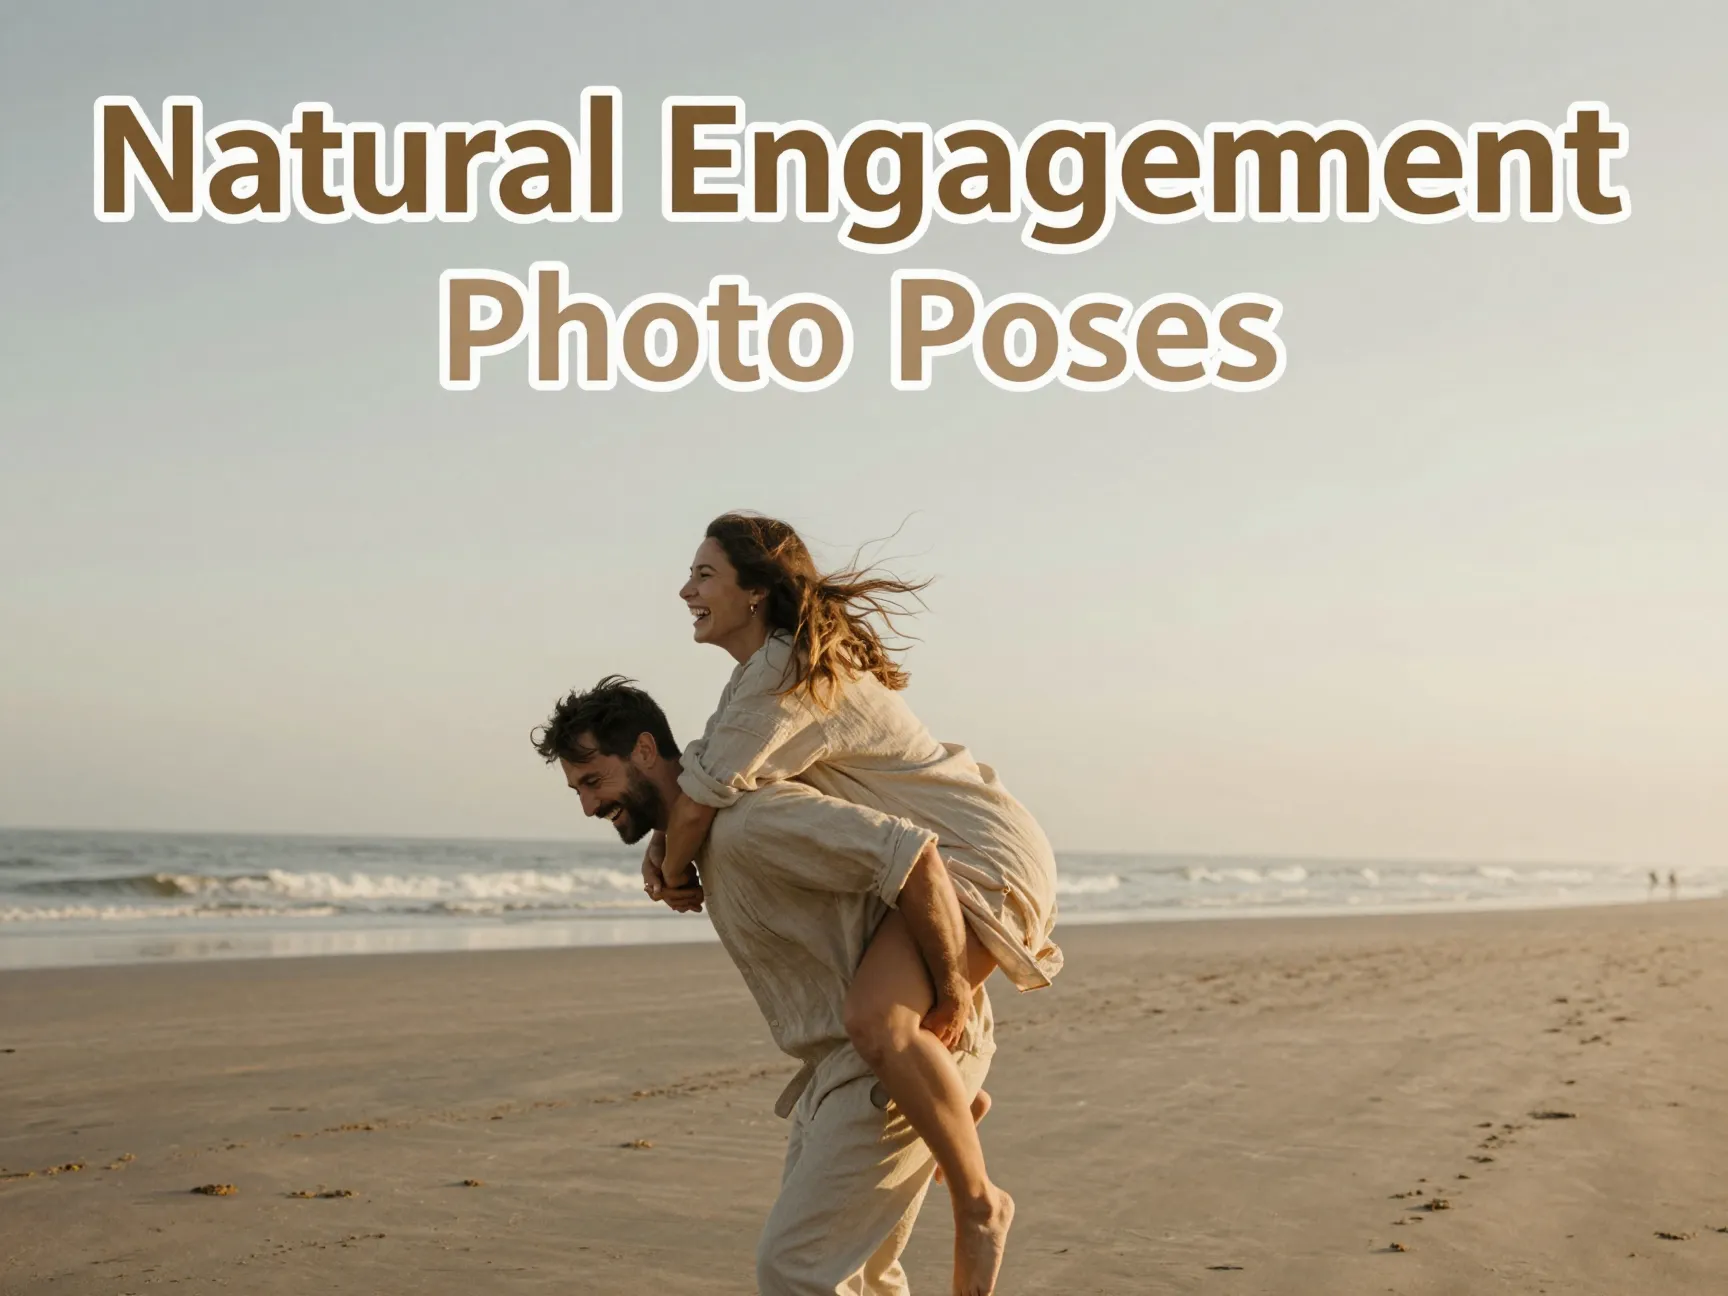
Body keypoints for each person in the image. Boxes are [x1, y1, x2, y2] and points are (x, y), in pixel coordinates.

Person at [652, 513, 1061, 1290]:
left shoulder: (785, 674)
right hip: (953, 849)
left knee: (878, 1020)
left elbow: (701, 801)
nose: (686, 590)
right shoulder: (755, 679)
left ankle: (979, 1201)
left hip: (979, 853)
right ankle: (946, 1095)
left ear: (758, 592)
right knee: (890, 1026)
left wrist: (673, 873)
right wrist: (665, 852)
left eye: (705, 575)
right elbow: (710, 784)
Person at [532, 677, 1002, 1295]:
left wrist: (952, 994)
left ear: (645, 750)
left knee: (795, 1269)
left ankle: (978, 1193)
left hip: (887, 1064)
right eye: (579, 791)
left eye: (594, 782)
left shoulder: (752, 822)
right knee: (862, 1274)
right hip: (836, 1072)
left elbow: (913, 856)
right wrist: (667, 842)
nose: (589, 806)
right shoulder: (699, 840)